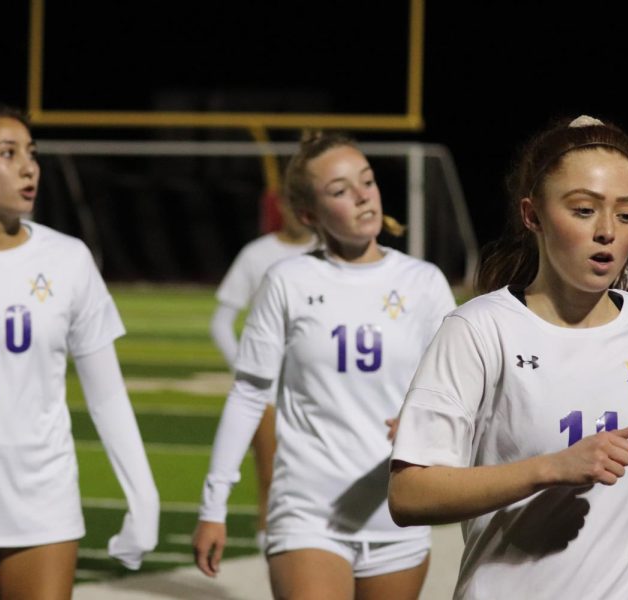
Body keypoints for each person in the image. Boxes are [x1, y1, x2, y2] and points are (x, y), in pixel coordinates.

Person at [387, 116, 628, 599]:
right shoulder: (479, 329)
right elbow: (410, 494)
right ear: (532, 215)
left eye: (626, 215)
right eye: (583, 210)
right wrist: (548, 468)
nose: (607, 231)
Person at [0, 103, 159, 599]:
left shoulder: (69, 259)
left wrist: (143, 498)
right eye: (7, 153)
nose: (28, 167)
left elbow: (106, 396)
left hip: (45, 505)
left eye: (32, 153)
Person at [193, 132, 456, 599]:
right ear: (310, 215)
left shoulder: (424, 282)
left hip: (396, 511)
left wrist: (428, 424)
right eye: (340, 190)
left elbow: (454, 391)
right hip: (308, 514)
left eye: (367, 181)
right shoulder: (287, 281)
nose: (362, 196)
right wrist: (213, 505)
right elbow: (250, 394)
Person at [210, 192, 316, 547]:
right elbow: (221, 322)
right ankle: (269, 561)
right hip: (270, 392)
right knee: (271, 478)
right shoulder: (257, 255)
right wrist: (251, 372)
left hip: (321, 388)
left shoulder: (333, 252)